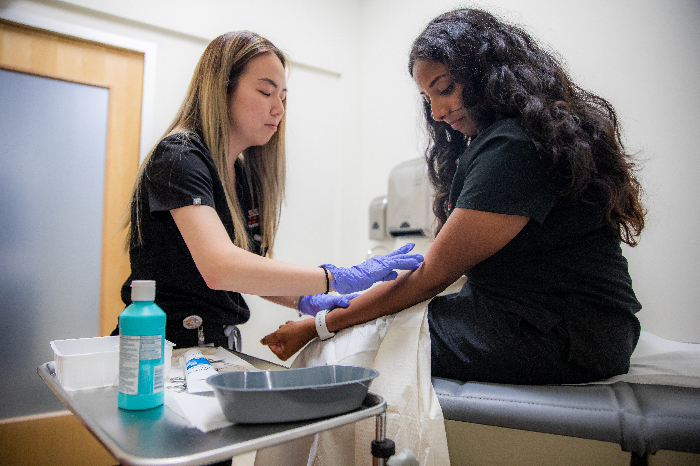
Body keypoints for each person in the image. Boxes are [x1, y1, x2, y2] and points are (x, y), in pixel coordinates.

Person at [261, 8, 646, 385]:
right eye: (428, 98)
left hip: (563, 333)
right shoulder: (506, 139)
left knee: (347, 347)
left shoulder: (513, 147)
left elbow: (432, 275)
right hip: (556, 321)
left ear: (487, 73)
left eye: (444, 88)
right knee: (374, 326)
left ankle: (382, 451)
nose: (439, 111)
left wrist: (321, 325)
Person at [114, 31, 424, 350]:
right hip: (159, 348)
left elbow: (246, 270)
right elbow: (220, 268)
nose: (279, 109)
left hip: (213, 343)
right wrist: (333, 276)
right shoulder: (179, 158)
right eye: (266, 92)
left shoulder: (242, 173)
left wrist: (305, 300)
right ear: (221, 91)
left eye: (283, 97)